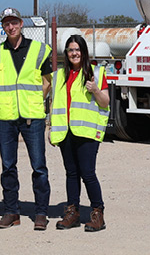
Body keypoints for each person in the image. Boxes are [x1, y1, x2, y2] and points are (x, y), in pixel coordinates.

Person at [0, 7, 54, 230]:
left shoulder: (40, 49)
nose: (11, 27)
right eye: (6, 23)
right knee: (8, 167)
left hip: (32, 117)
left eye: (14, 22)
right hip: (6, 116)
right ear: (2, 26)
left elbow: (47, 82)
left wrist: (34, 101)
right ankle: (11, 211)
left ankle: (41, 213)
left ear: (21, 23)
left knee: (39, 167)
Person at [49, 34, 110, 232]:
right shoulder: (59, 75)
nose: (74, 53)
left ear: (84, 52)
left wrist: (96, 90)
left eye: (77, 49)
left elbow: (105, 102)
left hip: (87, 132)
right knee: (71, 173)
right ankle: (72, 213)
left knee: (88, 173)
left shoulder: (97, 73)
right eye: (70, 50)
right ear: (66, 54)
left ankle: (97, 213)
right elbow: (53, 102)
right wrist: (52, 129)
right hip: (65, 132)